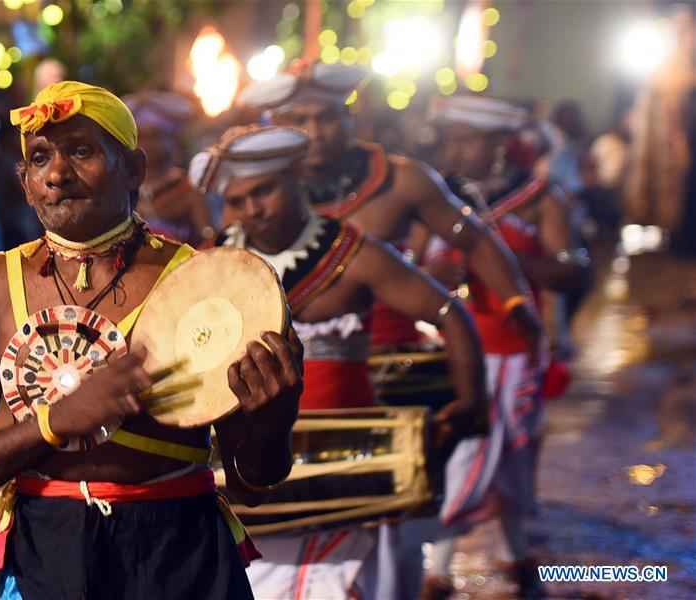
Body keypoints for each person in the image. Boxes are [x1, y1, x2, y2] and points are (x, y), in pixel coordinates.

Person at [0, 81, 303, 600]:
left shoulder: (203, 284)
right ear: (25, 182)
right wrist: (58, 421)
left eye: (81, 151)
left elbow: (252, 487)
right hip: (45, 557)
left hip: (178, 554)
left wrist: (273, 422)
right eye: (39, 158)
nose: (57, 174)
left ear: (134, 169)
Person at [191, 124, 488, 599]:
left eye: (263, 192)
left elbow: (450, 314)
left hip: (353, 470)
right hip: (254, 473)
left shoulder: (352, 252)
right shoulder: (211, 265)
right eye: (238, 200)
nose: (252, 210)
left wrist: (473, 401)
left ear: (294, 177)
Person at [237, 61, 544, 363]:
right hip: (282, 372)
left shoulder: (401, 180)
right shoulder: (252, 197)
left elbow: (475, 241)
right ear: (275, 126)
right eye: (299, 120)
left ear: (350, 118)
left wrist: (516, 304)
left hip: (395, 363)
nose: (314, 132)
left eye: (326, 118)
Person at [408, 95, 593, 600]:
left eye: (468, 140)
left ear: (500, 145)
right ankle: (475, 563)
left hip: (515, 350)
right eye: (453, 139)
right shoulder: (438, 199)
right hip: (455, 351)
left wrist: (501, 262)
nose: (457, 150)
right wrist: (429, 273)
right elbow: (402, 267)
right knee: (470, 453)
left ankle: (457, 564)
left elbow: (576, 267)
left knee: (497, 453)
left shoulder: (539, 198)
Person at [122, 90, 215, 245]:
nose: (147, 145)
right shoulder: (120, 186)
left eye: (156, 136)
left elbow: (208, 239)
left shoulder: (189, 187)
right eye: (141, 137)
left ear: (173, 141)